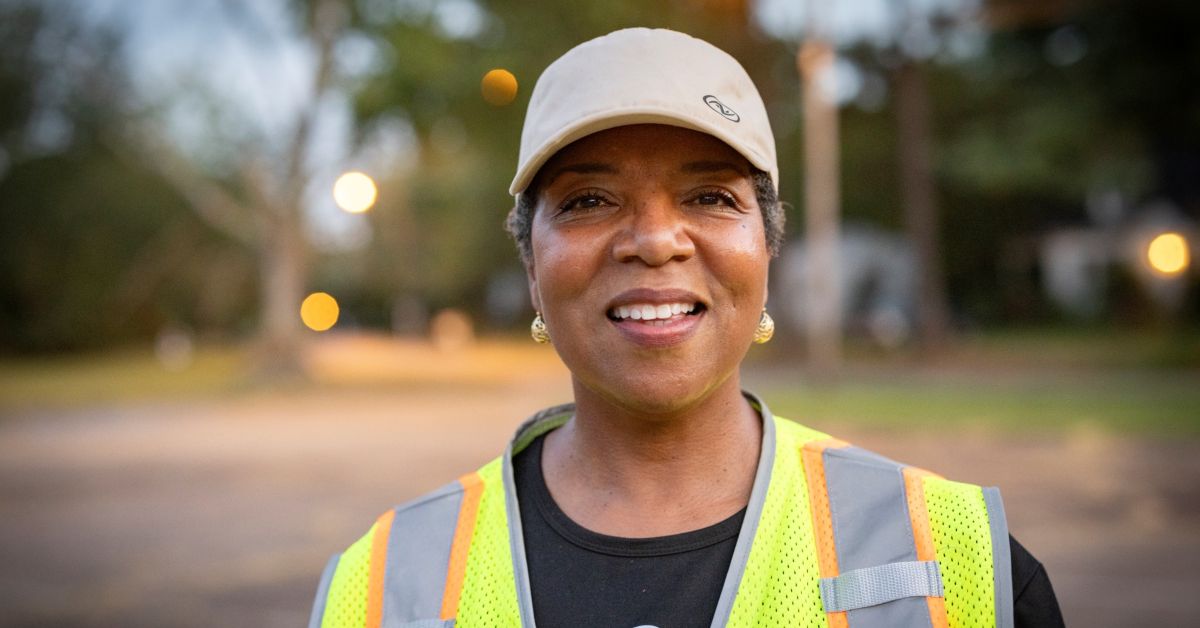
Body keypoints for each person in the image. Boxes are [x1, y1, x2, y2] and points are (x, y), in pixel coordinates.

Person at [308, 28, 1064, 628]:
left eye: (708, 195)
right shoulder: (380, 588)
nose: (656, 240)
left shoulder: (960, 562)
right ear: (532, 267)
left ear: (766, 248)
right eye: (587, 201)